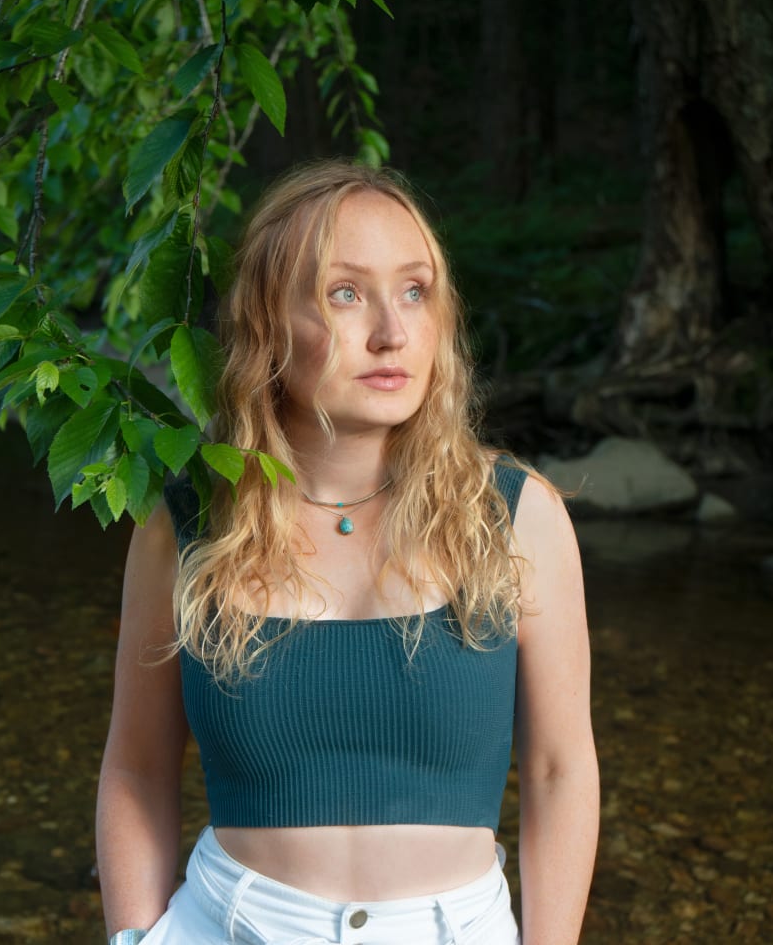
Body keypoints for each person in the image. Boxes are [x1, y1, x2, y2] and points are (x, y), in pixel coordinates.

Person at [95, 160, 599, 945]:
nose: (392, 332)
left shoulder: (515, 516)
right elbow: (136, 768)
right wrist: (133, 938)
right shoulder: (189, 523)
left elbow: (560, 772)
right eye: (345, 293)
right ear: (267, 323)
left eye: (414, 291)